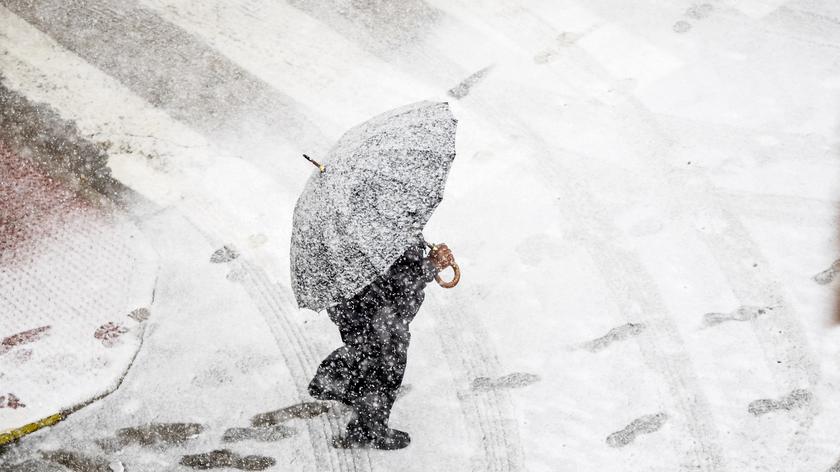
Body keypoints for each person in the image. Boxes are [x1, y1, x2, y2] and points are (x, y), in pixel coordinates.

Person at [308, 240, 454, 449]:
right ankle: (368, 429)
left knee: (364, 347)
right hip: (378, 311)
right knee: (387, 363)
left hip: (349, 304)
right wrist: (431, 265)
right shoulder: (386, 227)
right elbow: (397, 283)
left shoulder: (355, 228)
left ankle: (333, 379)